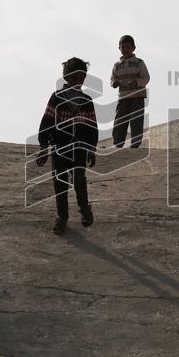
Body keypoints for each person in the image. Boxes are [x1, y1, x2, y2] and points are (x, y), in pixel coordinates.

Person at [36, 57, 99, 235]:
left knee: (79, 178)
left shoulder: (87, 101)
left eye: (82, 78)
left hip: (79, 149)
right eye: (74, 77)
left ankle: (84, 209)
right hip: (59, 148)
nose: (78, 81)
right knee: (60, 183)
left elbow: (91, 127)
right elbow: (47, 121)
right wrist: (43, 147)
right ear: (66, 77)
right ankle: (62, 217)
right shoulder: (56, 98)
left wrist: (91, 149)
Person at [109, 35, 150, 148]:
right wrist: (114, 84)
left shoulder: (139, 63)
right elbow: (112, 79)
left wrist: (136, 82)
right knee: (120, 122)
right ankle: (118, 144)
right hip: (123, 98)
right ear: (119, 48)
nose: (125, 49)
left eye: (128, 47)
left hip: (137, 97)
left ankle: (135, 145)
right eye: (123, 47)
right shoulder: (117, 66)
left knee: (136, 122)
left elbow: (146, 78)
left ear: (133, 48)